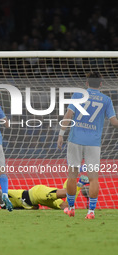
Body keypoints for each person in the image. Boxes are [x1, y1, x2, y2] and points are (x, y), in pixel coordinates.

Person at [58, 72, 118, 219]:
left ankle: (71, 208)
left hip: (75, 140)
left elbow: (68, 115)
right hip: (93, 143)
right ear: (101, 84)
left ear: (86, 83)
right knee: (93, 178)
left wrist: (61, 134)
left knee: (72, 176)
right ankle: (91, 212)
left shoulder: (78, 96)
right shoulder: (106, 99)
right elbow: (114, 122)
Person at [0, 176, 89, 210]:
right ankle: (80, 184)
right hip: (39, 201)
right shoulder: (9, 207)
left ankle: (72, 176)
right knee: (66, 206)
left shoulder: (3, 194)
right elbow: (34, 207)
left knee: (66, 193)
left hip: (36, 193)